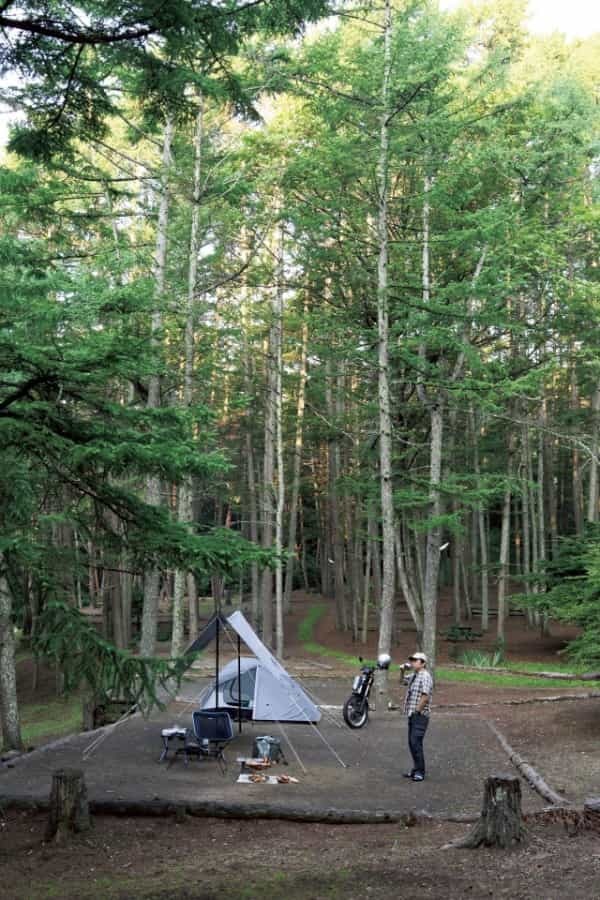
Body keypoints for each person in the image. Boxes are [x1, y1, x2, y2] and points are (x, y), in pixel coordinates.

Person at [403, 652, 433, 782]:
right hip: (412, 715)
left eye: (415, 660)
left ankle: (420, 772)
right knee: (412, 743)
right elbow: (402, 681)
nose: (413, 662)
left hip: (420, 716)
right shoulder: (415, 675)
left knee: (416, 743)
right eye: (412, 660)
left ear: (423, 663)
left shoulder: (425, 676)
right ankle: (416, 769)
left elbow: (425, 696)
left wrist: (417, 711)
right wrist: (401, 671)